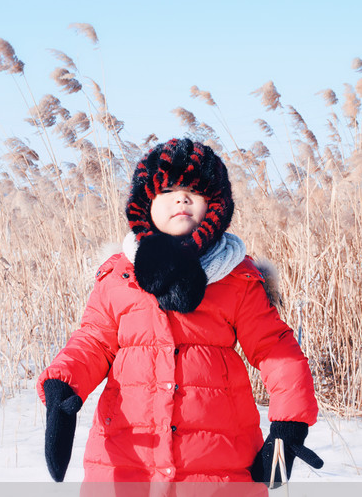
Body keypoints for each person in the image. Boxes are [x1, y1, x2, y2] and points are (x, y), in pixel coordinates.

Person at [37, 138, 322, 483]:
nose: (181, 197)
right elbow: (93, 341)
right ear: (146, 204)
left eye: (194, 191)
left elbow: (275, 349)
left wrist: (288, 426)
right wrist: (62, 387)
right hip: (127, 462)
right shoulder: (118, 275)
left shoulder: (237, 279)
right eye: (167, 189)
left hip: (217, 468)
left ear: (214, 206)